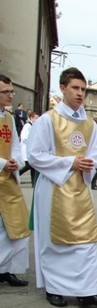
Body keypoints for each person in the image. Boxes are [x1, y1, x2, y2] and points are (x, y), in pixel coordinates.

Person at [28, 67, 97, 308]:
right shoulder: (48, 120)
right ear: (63, 88)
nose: (80, 93)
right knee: (54, 240)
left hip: (80, 188)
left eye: (83, 89)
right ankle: (54, 288)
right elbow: (35, 155)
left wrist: (89, 165)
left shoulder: (88, 124)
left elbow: (94, 155)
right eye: (75, 88)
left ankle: (87, 292)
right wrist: (70, 162)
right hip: (53, 187)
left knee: (86, 241)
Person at [0, 74, 31, 288]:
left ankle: (7, 269)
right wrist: (2, 163)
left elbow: (16, 147)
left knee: (16, 225)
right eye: (6, 92)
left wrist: (15, 162)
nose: (11, 95)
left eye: (11, 91)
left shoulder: (9, 118)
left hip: (8, 179)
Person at [19, 111, 39, 187]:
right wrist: (32, 144)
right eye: (36, 118)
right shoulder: (27, 126)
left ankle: (34, 183)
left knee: (33, 166)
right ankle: (17, 174)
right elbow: (24, 138)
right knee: (29, 165)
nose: (37, 119)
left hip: (31, 150)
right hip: (27, 149)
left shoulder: (33, 126)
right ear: (31, 118)